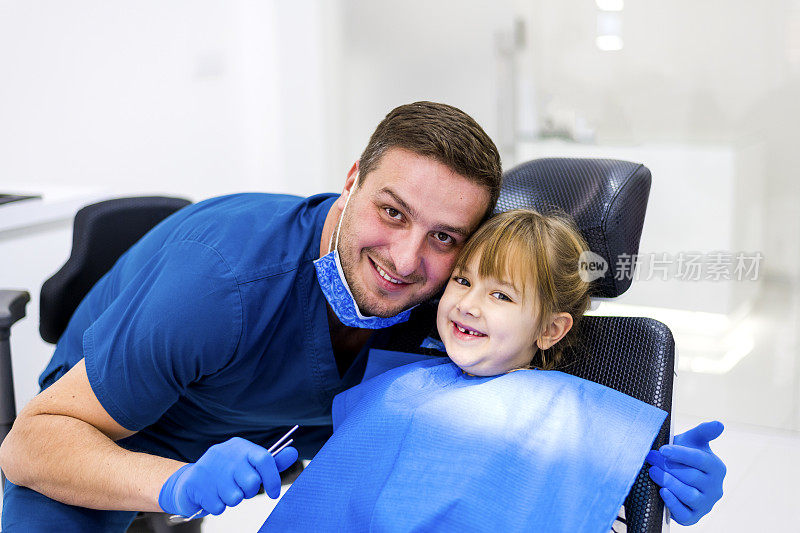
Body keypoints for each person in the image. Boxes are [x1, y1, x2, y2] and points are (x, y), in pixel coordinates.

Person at [0, 102, 724, 531]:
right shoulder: (224, 283)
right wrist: (175, 484)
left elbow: (512, 404)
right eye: (391, 211)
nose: (408, 258)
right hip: (100, 434)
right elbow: (30, 444)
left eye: (445, 238)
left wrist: (637, 468)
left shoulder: (440, 303)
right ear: (351, 181)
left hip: (241, 458)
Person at [261, 208, 667, 532]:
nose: (469, 304)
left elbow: (586, 510)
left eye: (501, 295)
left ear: (549, 329)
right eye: (461, 280)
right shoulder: (396, 384)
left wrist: (656, 487)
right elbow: (337, 491)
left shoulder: (567, 419)